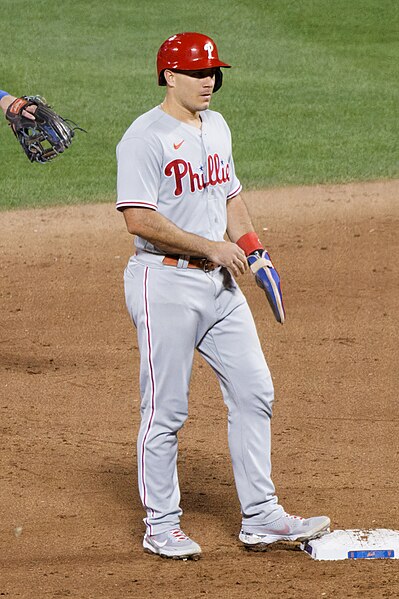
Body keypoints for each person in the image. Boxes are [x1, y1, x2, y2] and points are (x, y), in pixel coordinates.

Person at [116, 32, 330, 560]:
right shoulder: (144, 137)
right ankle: (160, 524)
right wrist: (211, 246)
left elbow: (230, 196)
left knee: (255, 390)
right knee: (165, 410)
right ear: (168, 75)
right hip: (163, 282)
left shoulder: (216, 126)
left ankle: (261, 517)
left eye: (213, 71)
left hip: (221, 284)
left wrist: (255, 252)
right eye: (196, 72)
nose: (208, 80)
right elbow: (138, 218)